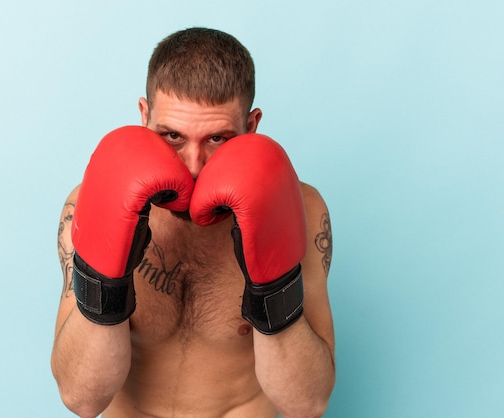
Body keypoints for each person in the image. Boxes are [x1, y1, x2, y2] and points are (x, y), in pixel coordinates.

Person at [52, 27, 335, 418]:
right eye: (172, 136)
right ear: (144, 116)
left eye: (218, 139)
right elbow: (81, 398)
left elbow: (307, 403)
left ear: (252, 127)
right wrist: (105, 280)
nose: (194, 165)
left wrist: (272, 284)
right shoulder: (86, 203)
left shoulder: (302, 209)